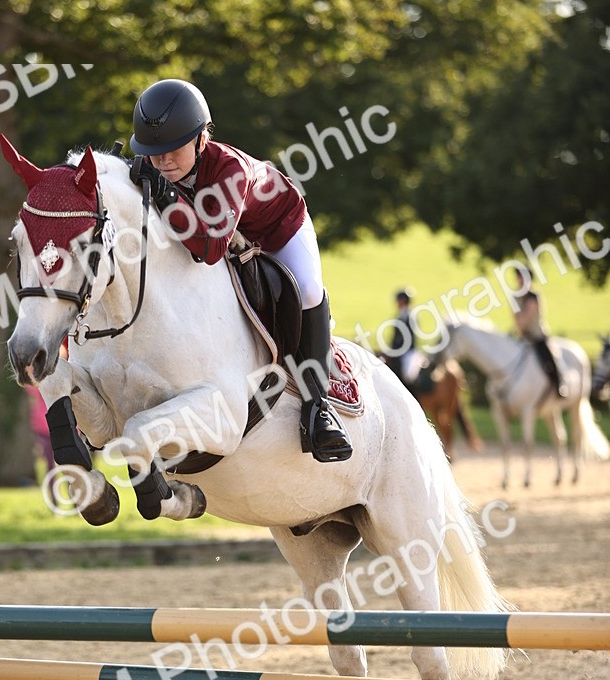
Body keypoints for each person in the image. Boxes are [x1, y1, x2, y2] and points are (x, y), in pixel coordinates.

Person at [128, 78, 352, 463]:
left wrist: (165, 196)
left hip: (278, 228)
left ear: (201, 140)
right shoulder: (152, 167)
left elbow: (210, 249)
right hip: (223, 233)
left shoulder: (229, 169)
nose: (163, 161)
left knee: (310, 290)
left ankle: (319, 409)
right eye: (153, 152)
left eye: (172, 149)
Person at [512, 267, 567, 398]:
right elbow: (516, 319)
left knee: (548, 356)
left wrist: (520, 325)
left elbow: (524, 319)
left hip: (537, 336)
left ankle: (559, 384)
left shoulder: (533, 297)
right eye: (519, 278)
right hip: (522, 335)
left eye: (523, 278)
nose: (520, 281)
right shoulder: (515, 297)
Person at [386, 289, 425, 390]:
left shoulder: (410, 316)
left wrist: (396, 350)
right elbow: (396, 337)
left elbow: (409, 338)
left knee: (408, 375)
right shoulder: (400, 315)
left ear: (402, 301)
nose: (397, 303)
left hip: (408, 352)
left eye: (398, 300)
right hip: (399, 351)